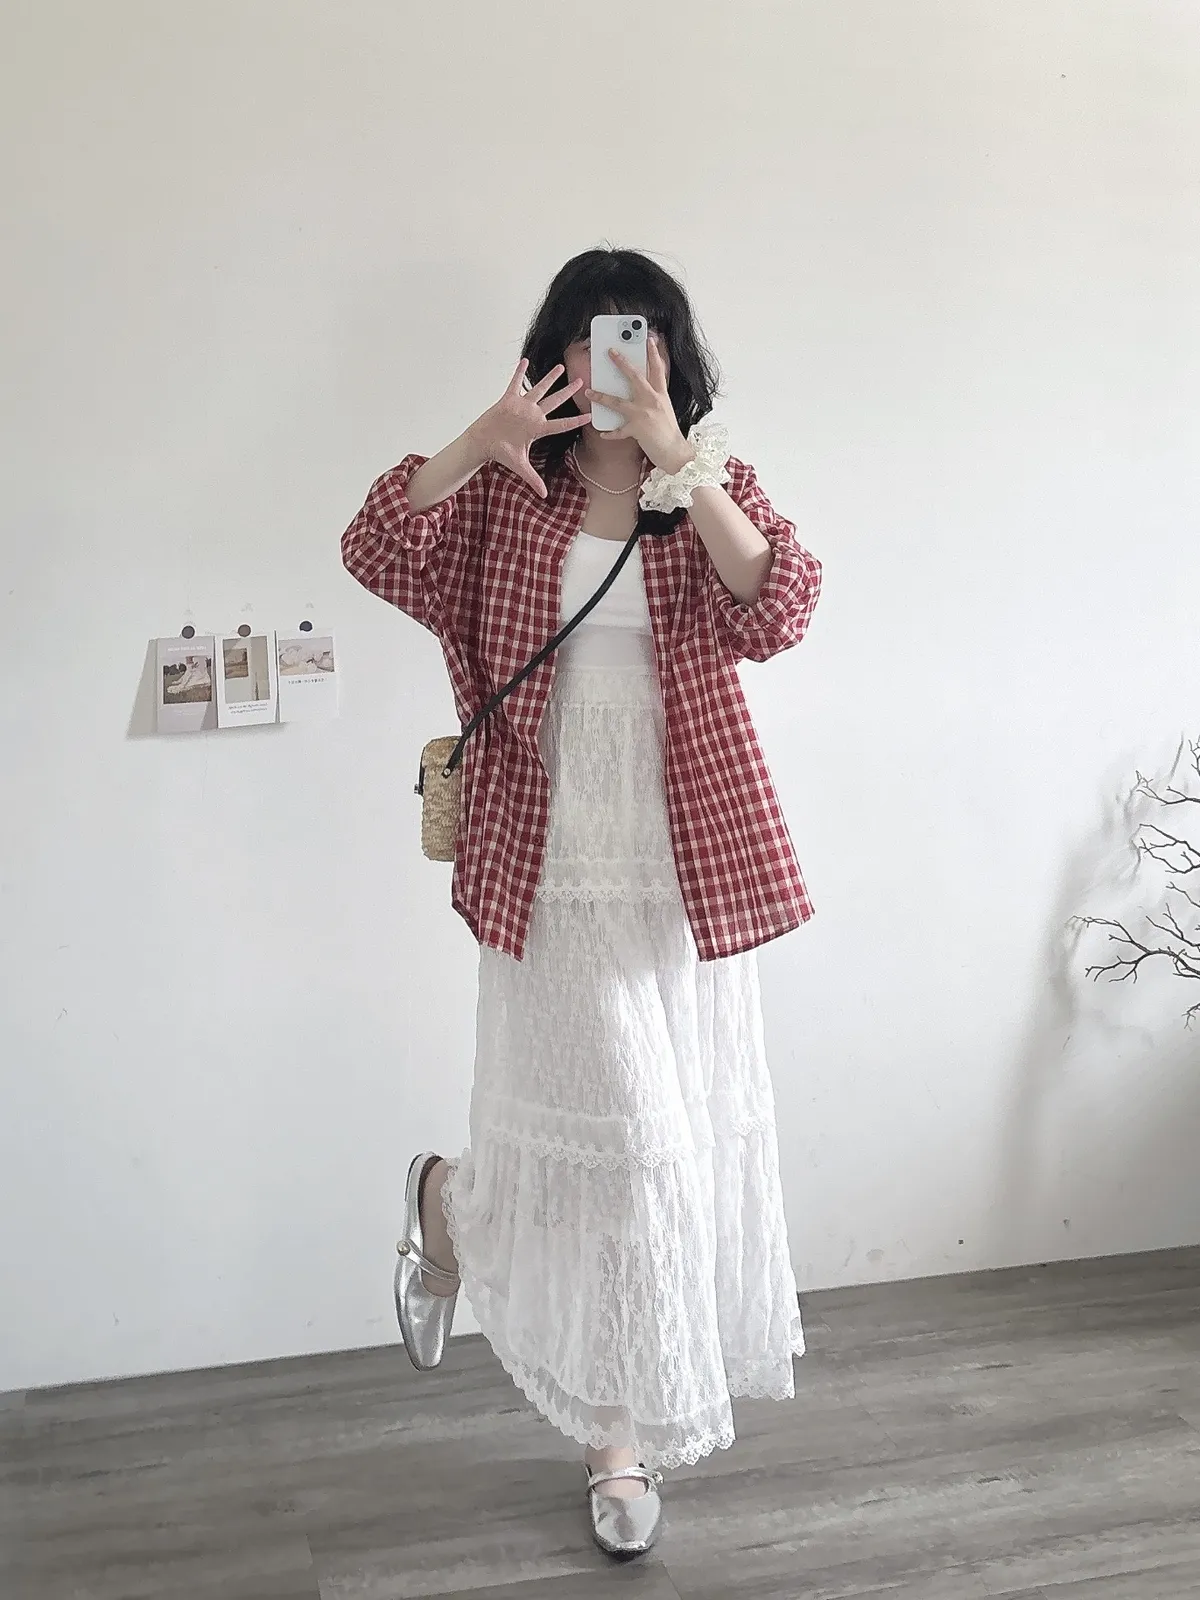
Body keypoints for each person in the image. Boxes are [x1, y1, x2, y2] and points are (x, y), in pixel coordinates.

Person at [341, 247, 822, 1559]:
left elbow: (781, 605)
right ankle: (607, 1425)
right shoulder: (512, 492)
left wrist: (680, 464)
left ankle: (464, 1225)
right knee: (637, 1150)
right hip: (547, 856)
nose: (619, 362)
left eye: (643, 336)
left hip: (678, 859)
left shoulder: (706, 484)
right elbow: (374, 545)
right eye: (596, 337)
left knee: (645, 1158)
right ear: (555, 351)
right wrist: (478, 440)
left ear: (671, 352)